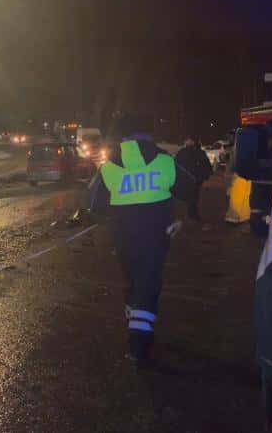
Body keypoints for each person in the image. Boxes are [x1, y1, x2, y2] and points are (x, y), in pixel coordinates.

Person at [89, 114, 197, 366]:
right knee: (148, 286)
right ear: (150, 134)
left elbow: (96, 205)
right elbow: (189, 188)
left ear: (123, 137)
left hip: (123, 238)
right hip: (156, 236)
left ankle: (135, 320)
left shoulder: (110, 166)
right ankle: (139, 345)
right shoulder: (164, 161)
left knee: (134, 282)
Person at [175, 137, 213, 221]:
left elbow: (175, 165)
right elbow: (207, 166)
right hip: (195, 180)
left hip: (185, 179)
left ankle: (188, 215)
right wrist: (204, 176)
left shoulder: (181, 152)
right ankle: (192, 215)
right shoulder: (200, 152)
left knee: (186, 197)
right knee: (193, 197)